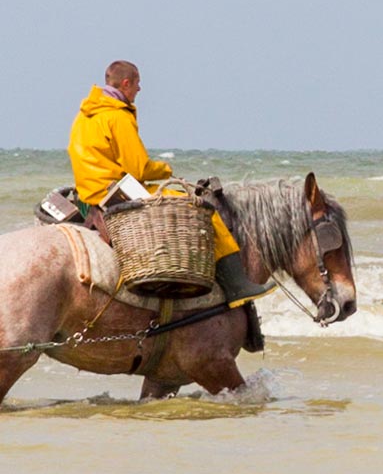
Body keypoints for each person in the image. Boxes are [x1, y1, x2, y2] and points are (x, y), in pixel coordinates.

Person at [67, 60, 276, 307]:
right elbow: (140, 168)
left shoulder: (87, 114)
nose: (139, 90)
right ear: (126, 83)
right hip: (116, 191)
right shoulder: (116, 116)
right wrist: (165, 169)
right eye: (137, 83)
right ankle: (236, 285)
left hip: (91, 193)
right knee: (200, 210)